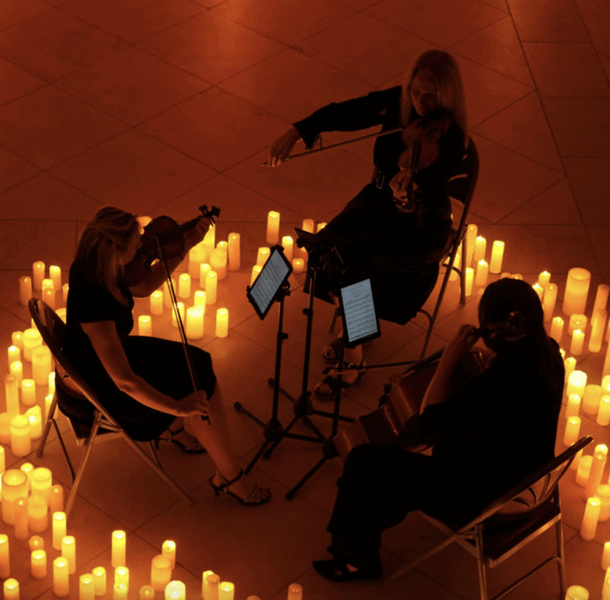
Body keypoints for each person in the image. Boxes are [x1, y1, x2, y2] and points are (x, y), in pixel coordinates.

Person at [312, 278, 564, 581]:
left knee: (363, 461)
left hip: (487, 503)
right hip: (532, 486)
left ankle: (356, 558)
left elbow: (426, 422)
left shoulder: (491, 388)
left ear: (495, 331)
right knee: (392, 469)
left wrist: (448, 360)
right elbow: (509, 394)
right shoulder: (550, 355)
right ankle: (373, 511)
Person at [268, 50, 469, 397]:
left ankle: (354, 356)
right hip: (376, 200)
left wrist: (409, 194)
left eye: (431, 95)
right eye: (416, 91)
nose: (421, 101)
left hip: (420, 225)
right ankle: (355, 329)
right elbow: (348, 111)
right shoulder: (399, 102)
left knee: (353, 266)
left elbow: (432, 189)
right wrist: (299, 130)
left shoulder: (449, 138)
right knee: (326, 250)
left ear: (447, 95)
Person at [61, 206, 270, 505]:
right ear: (117, 253)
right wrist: (177, 407)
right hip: (96, 387)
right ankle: (230, 476)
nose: (143, 245)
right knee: (197, 382)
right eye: (137, 244)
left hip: (100, 361)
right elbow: (125, 382)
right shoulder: (94, 299)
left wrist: (184, 248)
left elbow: (143, 285)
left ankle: (176, 433)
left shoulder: (98, 263)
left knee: (198, 363)